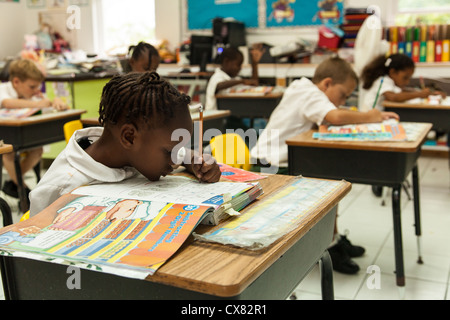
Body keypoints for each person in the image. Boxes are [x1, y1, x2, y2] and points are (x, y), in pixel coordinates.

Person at [250, 56, 400, 274]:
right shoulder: (308, 93)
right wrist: (371, 115)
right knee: (328, 182)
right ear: (327, 83)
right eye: (342, 95)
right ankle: (328, 246)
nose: (341, 101)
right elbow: (336, 116)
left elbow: (335, 112)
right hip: (271, 167)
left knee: (331, 174)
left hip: (281, 160)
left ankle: (334, 238)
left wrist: (367, 117)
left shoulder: (305, 89)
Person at [29, 72, 221, 217]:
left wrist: (195, 160)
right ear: (129, 137)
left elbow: (181, 155)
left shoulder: (131, 151)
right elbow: (31, 248)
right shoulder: (62, 186)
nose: (174, 161)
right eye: (170, 151)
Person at [0, 58, 69, 200]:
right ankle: (22, 189)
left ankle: (14, 183)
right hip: (5, 139)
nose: (36, 90)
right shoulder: (3, 89)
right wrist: (39, 104)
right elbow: (7, 102)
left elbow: (46, 104)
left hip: (23, 136)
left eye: (38, 87)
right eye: (32, 87)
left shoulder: (32, 94)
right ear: (16, 82)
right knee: (9, 153)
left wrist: (55, 102)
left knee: (37, 150)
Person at [360, 53, 446, 111]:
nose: (407, 82)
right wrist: (420, 94)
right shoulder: (383, 81)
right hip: (368, 117)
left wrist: (430, 93)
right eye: (405, 78)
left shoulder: (390, 82)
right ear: (393, 72)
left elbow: (402, 92)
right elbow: (393, 97)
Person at [205, 44, 265, 111]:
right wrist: (242, 81)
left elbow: (254, 84)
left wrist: (254, 64)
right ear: (226, 62)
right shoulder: (217, 76)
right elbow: (219, 85)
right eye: (238, 65)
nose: (240, 68)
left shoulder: (234, 79)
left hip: (232, 115)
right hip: (214, 117)